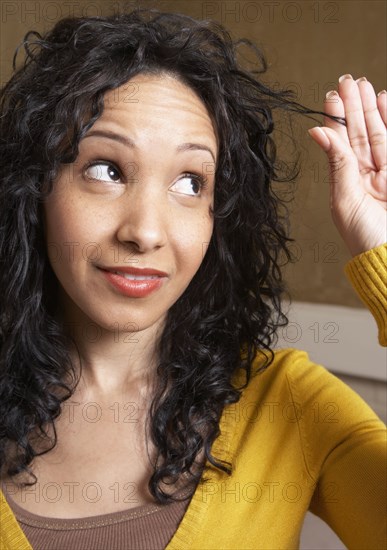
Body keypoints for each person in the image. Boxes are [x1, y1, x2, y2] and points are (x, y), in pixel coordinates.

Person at [0, 7, 385, 550]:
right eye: (106, 170)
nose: (146, 232)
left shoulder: (288, 403)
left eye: (189, 182)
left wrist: (384, 246)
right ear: (34, 189)